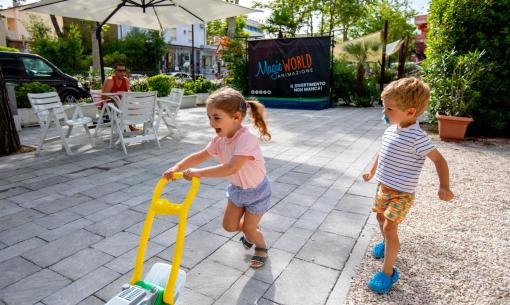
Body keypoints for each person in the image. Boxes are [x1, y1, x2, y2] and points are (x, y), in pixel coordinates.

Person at [362, 77, 454, 294]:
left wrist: (444, 186)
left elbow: (439, 160)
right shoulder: (391, 130)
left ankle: (388, 273)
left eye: (389, 109)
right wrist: (372, 171)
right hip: (383, 187)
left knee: (389, 226)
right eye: (384, 107)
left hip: (402, 193)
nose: (384, 113)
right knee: (379, 217)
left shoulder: (418, 138)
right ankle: (387, 245)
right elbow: (382, 150)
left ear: (410, 112)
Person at [163, 87, 272, 268]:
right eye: (209, 117)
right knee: (229, 226)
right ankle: (250, 230)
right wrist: (177, 167)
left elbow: (231, 168)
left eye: (216, 117)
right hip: (237, 190)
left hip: (257, 192)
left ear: (236, 117)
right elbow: (200, 155)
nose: (211, 123)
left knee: (249, 229)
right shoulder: (218, 140)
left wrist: (199, 173)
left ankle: (261, 246)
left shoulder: (246, 139)